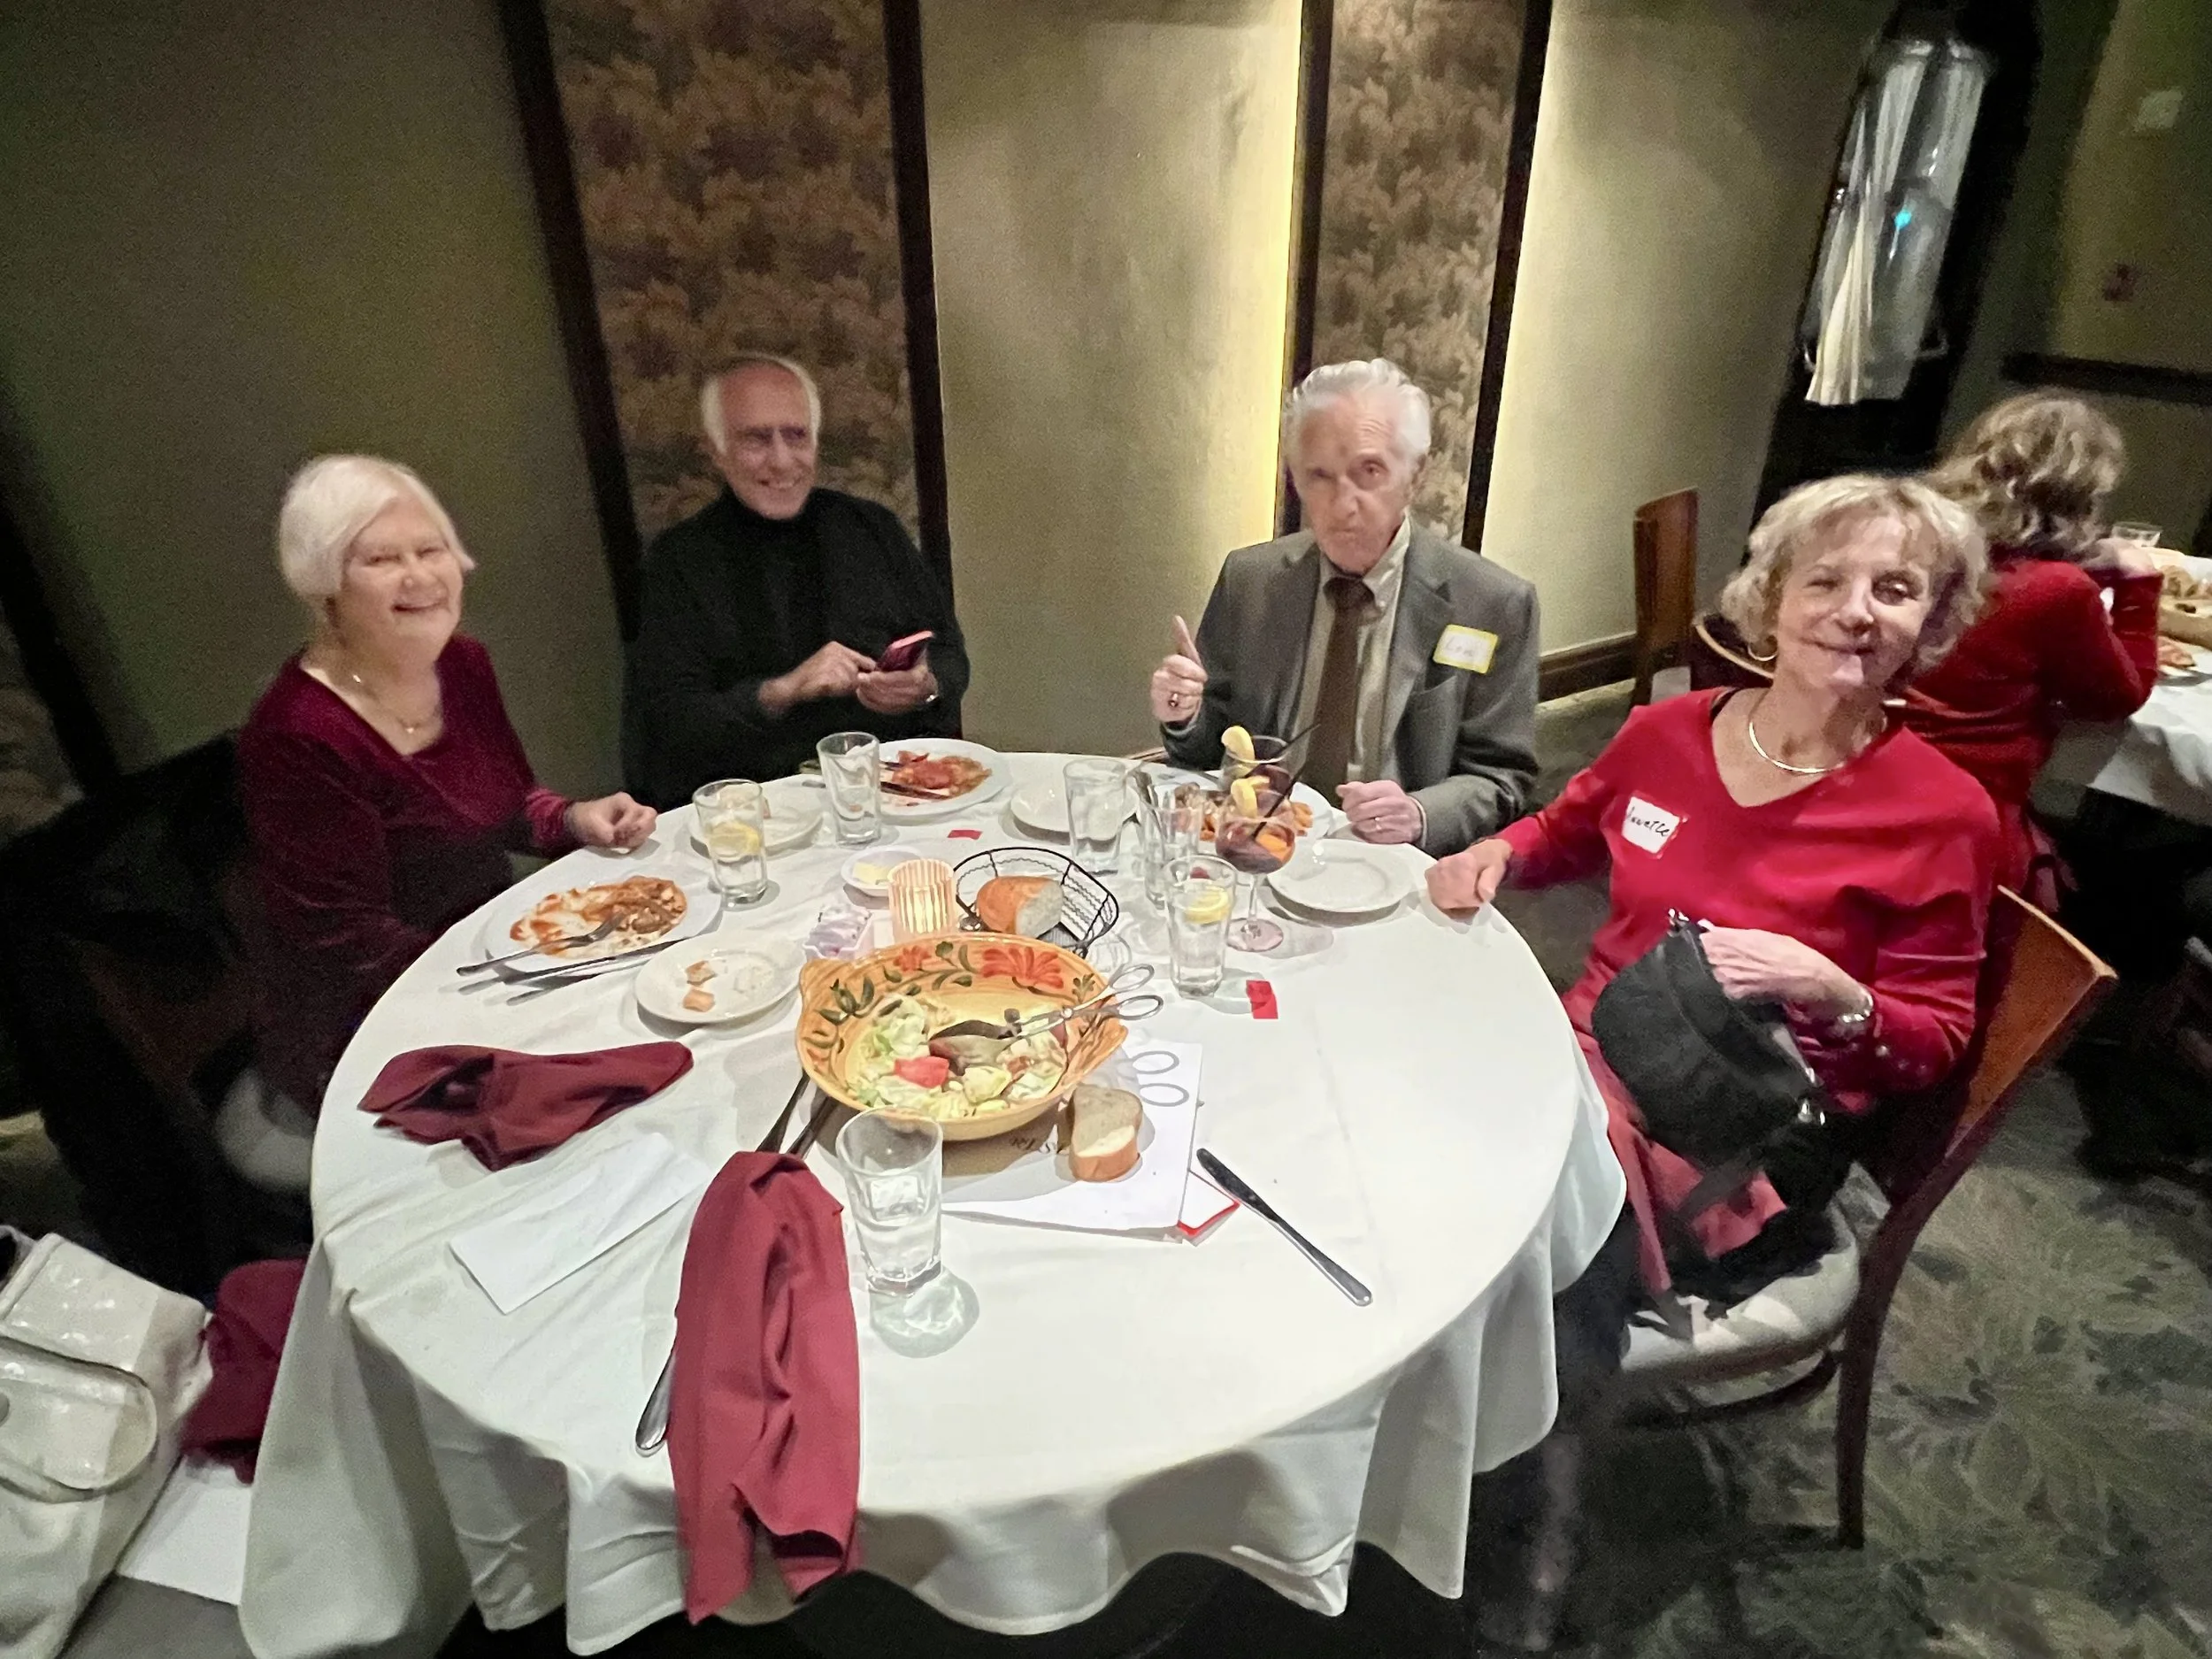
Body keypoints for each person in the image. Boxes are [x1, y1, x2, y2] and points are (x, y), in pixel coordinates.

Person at [1428, 474, 1996, 1651]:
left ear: (1932, 620)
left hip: (1749, 1122)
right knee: (1426, 1141)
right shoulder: (1667, 733)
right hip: (1589, 1050)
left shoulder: (1943, 810)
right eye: (1825, 580)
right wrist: (1499, 852)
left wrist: (1828, 985)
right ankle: (1423, 1464)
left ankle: (1531, 1536)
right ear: (1770, 598)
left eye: (1894, 589)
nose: (1854, 612)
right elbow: (1568, 828)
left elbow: (1932, 1036)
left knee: (1540, 1217)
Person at [239, 457, 654, 1114]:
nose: (420, 576)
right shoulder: (298, 733)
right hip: (380, 1023)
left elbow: (507, 802)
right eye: (379, 560)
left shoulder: (462, 663)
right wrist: (525, 983)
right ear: (324, 586)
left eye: (430, 549)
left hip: (491, 959)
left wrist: (575, 818)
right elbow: (348, 942)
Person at [1149, 358, 1537, 856]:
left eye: (1369, 471)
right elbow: (1212, 751)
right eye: (1319, 476)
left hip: (1397, 861)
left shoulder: (1491, 604)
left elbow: (1503, 778)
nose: (1341, 502)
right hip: (1261, 846)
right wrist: (1186, 716)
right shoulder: (1252, 581)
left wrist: (1420, 814)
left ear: (1414, 476)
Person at [623, 356, 969, 806]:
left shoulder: (874, 529)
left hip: (894, 796)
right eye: (756, 439)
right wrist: (782, 691)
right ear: (715, 450)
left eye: (796, 435)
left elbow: (949, 654)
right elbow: (671, 722)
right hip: (753, 808)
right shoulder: (677, 561)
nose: (782, 460)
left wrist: (925, 686)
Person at [1906, 391, 2168, 901]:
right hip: (1968, 801)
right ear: (2080, 493)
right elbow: (2115, 699)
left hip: (1871, 763)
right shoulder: (2055, 589)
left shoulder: (1921, 545)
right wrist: (2140, 587)